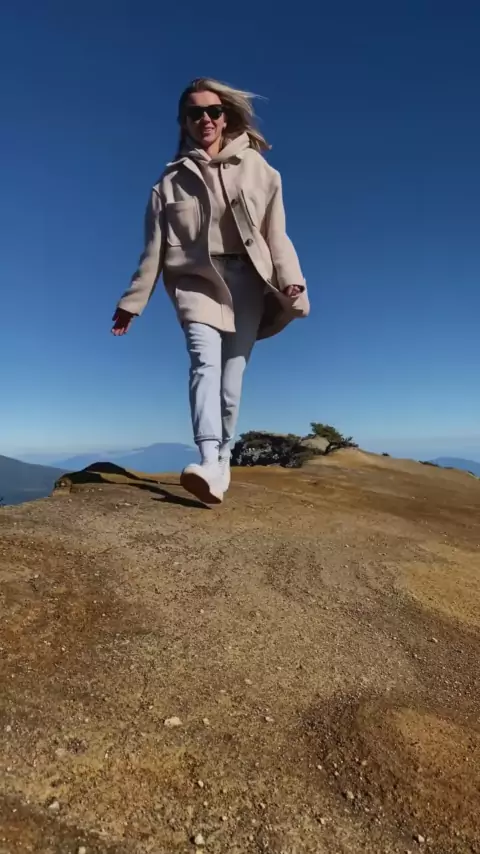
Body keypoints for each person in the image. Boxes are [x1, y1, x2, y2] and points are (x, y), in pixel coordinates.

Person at [112, 77, 309, 505]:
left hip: (248, 282)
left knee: (231, 378)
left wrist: (289, 277)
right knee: (204, 364)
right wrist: (133, 302)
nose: (205, 118)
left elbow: (276, 234)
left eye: (213, 111)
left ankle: (221, 463)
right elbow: (153, 251)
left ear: (225, 117)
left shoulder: (260, 170)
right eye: (195, 113)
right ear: (184, 122)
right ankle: (205, 457)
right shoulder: (168, 184)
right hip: (197, 283)